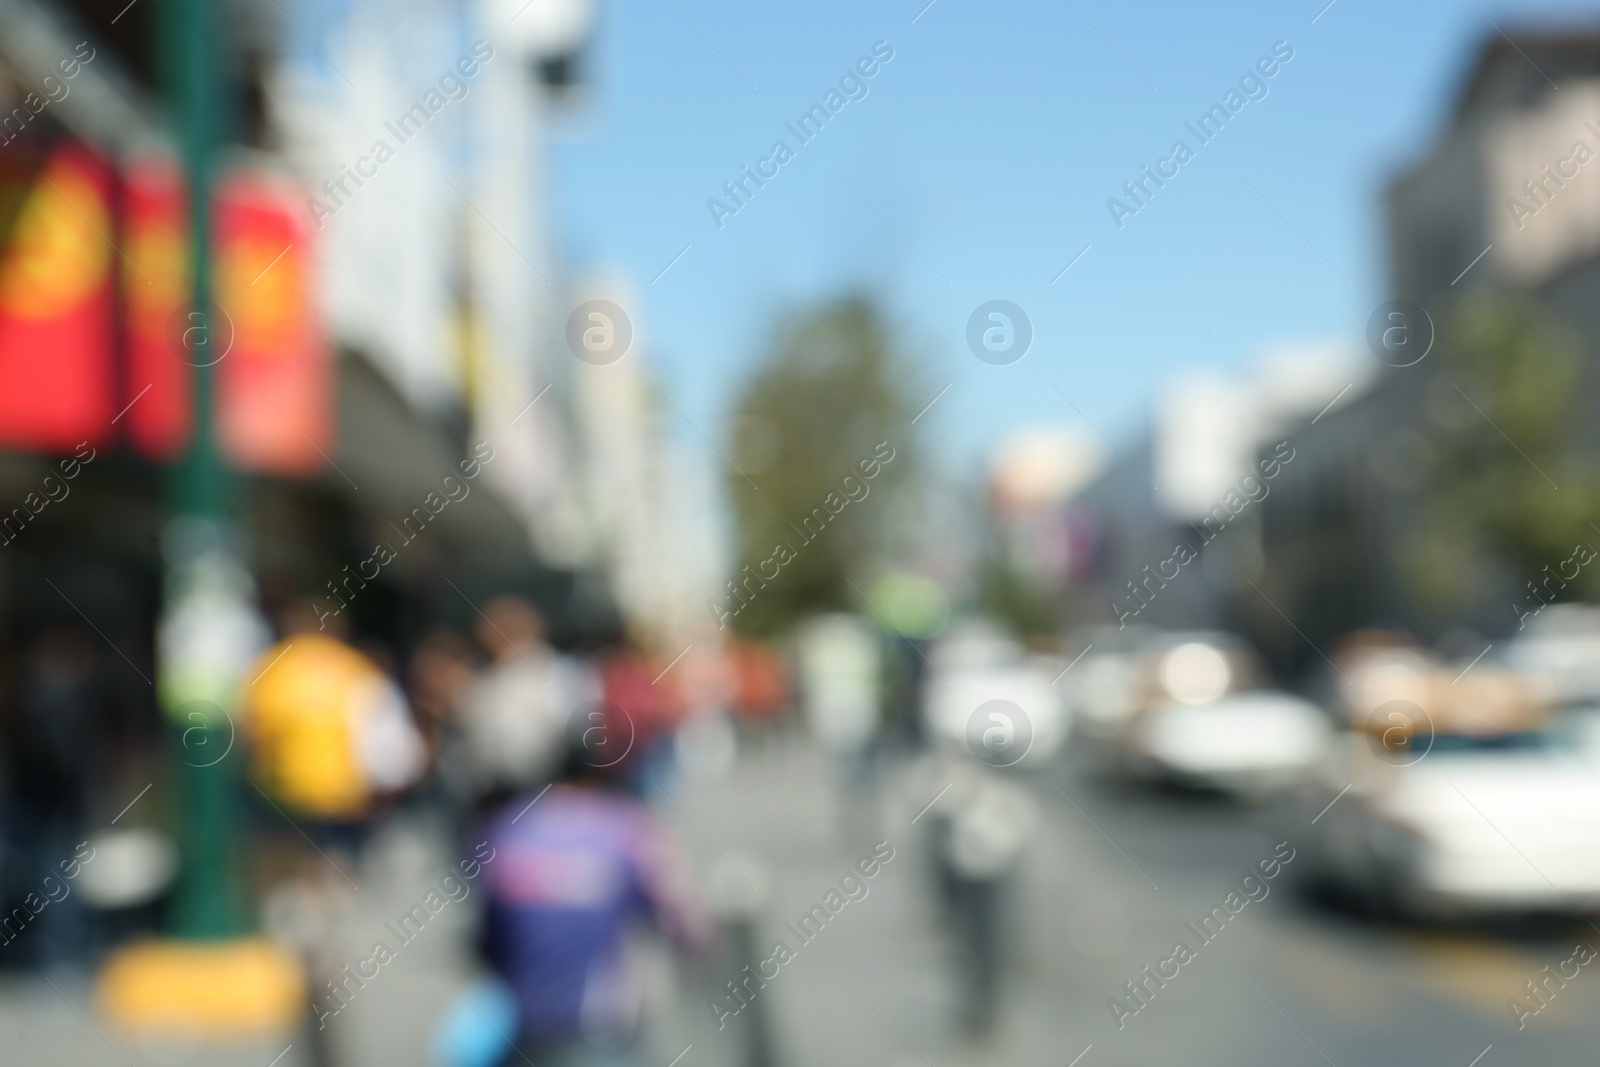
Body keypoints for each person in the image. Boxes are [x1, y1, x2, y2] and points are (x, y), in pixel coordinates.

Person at [477, 734, 708, 1067]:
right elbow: (687, 920)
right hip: (603, 1027)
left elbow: (486, 939)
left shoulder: (508, 830)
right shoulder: (628, 829)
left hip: (527, 1024)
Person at [454, 597, 594, 816]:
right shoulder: (487, 679)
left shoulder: (554, 672)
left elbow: (578, 732)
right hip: (500, 796)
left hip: (551, 794)